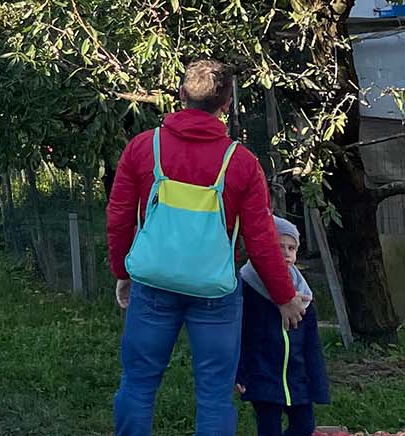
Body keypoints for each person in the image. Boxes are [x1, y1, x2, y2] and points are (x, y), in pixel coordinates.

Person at [106, 59, 309, 436]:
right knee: (215, 395)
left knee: (138, 383)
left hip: (153, 283)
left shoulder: (144, 147)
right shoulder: (242, 162)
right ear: (227, 104)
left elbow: (119, 216)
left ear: (182, 94)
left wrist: (122, 271)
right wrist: (284, 296)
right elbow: (261, 239)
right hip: (216, 290)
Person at [237, 216, 329, 436]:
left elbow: (312, 344)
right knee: (269, 428)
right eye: (279, 247)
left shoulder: (303, 294)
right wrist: (240, 372)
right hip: (262, 376)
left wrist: (318, 384)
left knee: (304, 427)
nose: (287, 253)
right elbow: (240, 335)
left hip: (297, 378)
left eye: (292, 248)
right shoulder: (248, 287)